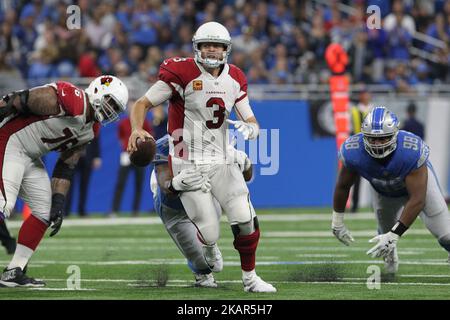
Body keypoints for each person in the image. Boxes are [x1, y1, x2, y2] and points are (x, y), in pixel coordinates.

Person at [127, 21, 276, 293]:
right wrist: (137, 128)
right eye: (206, 44)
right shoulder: (181, 72)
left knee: (244, 215)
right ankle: (207, 249)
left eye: (217, 46)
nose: (212, 50)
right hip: (187, 161)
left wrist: (253, 128)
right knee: (209, 233)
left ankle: (250, 277)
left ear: (226, 50)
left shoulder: (235, 78)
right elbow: (142, 103)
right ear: (196, 47)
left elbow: (250, 117)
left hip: (220, 158)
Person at [0, 75, 128, 287]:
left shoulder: (90, 130)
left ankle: (15, 270)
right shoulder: (75, 100)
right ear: (97, 92)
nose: (111, 110)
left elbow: (66, 165)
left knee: (44, 210)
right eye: (110, 102)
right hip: (9, 141)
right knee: (4, 205)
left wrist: (59, 202)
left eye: (116, 107)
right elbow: (24, 98)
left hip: (29, 155)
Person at [332, 106, 450, 273]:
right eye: (372, 139)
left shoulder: (410, 151)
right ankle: (391, 257)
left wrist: (395, 234)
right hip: (384, 192)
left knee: (447, 235)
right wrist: (337, 221)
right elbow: (343, 186)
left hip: (421, 189)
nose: (378, 144)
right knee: (384, 237)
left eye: (383, 138)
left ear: (395, 134)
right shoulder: (353, 151)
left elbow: (417, 199)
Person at [150, 134, 253, 287]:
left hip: (207, 197)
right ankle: (201, 273)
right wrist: (174, 184)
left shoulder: (217, 137)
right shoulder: (166, 144)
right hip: (176, 210)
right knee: (208, 265)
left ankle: (207, 242)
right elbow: (166, 186)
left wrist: (245, 163)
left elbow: (246, 176)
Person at [110, 103, 153, 217]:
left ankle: (135, 210)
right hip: (127, 154)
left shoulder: (144, 122)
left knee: (138, 183)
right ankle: (114, 210)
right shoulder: (123, 122)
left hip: (139, 155)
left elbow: (149, 136)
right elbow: (120, 137)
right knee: (120, 183)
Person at [64, 136, 102, 217]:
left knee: (84, 186)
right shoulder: (72, 123)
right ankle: (66, 210)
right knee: (69, 185)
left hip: (88, 157)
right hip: (72, 156)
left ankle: (82, 210)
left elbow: (96, 139)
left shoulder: (92, 124)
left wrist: (97, 156)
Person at [349, 89, 372, 213]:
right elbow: (351, 129)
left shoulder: (374, 109)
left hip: (374, 146)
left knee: (377, 177)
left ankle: (376, 205)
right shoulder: (354, 110)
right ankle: (355, 205)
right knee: (355, 178)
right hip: (359, 147)